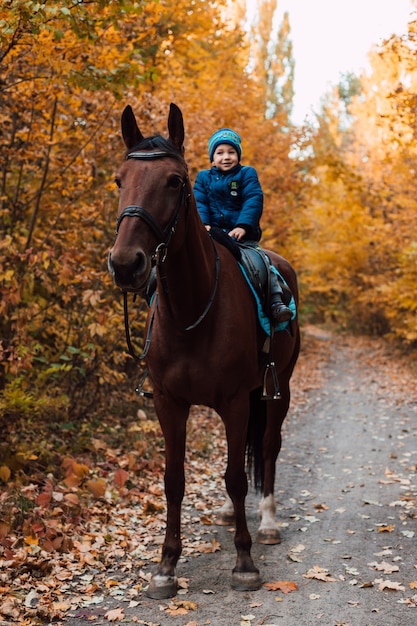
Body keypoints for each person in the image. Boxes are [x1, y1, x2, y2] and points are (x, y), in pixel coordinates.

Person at [193, 128, 292, 323]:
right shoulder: (203, 178)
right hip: (212, 234)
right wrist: (203, 224)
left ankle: (275, 301)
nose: (226, 157)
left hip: (242, 237)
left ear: (238, 155)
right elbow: (200, 202)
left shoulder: (247, 173)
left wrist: (243, 226)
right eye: (220, 153)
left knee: (261, 261)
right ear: (212, 158)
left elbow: (253, 200)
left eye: (231, 152)